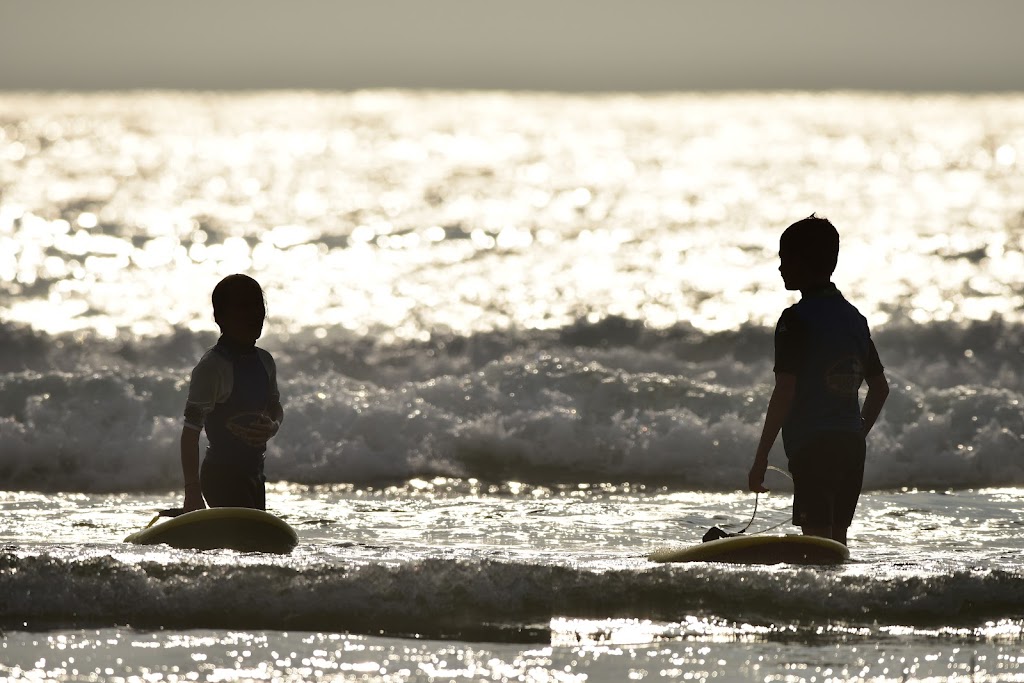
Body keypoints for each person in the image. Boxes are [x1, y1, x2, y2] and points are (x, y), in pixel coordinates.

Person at [747, 215, 889, 546]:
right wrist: (855, 433)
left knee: (816, 547)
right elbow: (880, 389)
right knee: (836, 545)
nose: (780, 268)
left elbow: (785, 391)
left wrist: (760, 457)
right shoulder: (855, 318)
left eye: (784, 258)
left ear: (802, 262)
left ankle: (820, 599)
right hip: (851, 449)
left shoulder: (796, 320)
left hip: (812, 448)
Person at [180, 274, 284, 512]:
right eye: (243, 306)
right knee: (250, 544)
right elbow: (190, 433)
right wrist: (192, 492)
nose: (254, 314)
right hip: (221, 476)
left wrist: (273, 426)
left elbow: (275, 407)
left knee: (257, 548)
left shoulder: (265, 361)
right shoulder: (212, 367)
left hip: (256, 473)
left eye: (258, 305)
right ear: (221, 317)